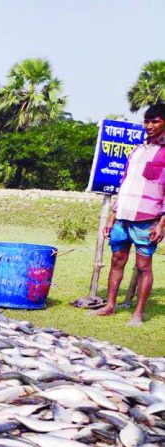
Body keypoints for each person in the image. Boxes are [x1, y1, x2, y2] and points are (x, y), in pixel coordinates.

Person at [93, 103, 165, 326]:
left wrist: (162, 224)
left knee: (144, 267)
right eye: (146, 121)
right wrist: (113, 217)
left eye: (155, 121)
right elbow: (123, 184)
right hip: (122, 216)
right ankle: (110, 306)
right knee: (116, 260)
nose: (149, 126)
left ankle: (138, 314)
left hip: (147, 220)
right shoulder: (137, 150)